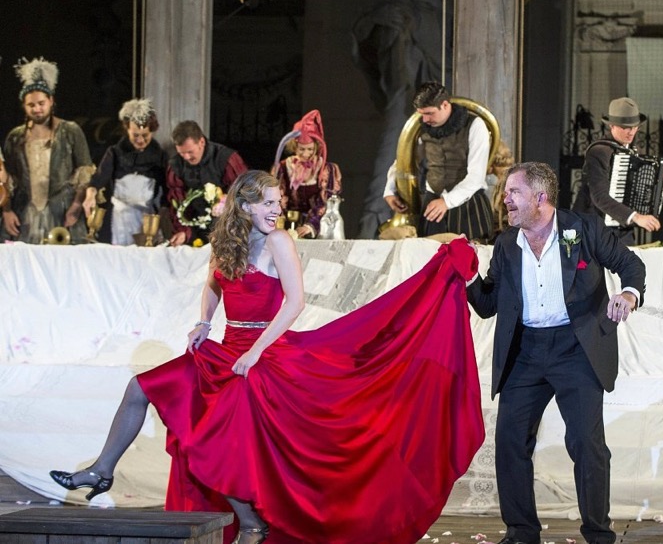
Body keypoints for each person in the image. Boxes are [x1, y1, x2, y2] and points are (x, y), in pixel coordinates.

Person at [49, 170, 484, 544]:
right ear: (243, 205)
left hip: (268, 354)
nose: (277, 210)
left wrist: (256, 352)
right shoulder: (227, 242)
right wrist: (203, 322)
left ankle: (253, 523)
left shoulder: (279, 241)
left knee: (213, 432)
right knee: (140, 387)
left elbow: (295, 302)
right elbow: (214, 284)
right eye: (269, 204)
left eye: (278, 202)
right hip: (226, 352)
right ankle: (101, 470)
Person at [466, 162, 646, 544]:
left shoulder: (584, 229)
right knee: (510, 442)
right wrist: (467, 275)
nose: (505, 199)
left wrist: (629, 294)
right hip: (525, 352)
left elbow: (630, 265)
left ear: (540, 197)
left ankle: (598, 534)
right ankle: (521, 533)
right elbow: (487, 304)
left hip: (575, 348)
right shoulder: (506, 244)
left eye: (513, 192)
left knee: (586, 444)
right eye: (506, 193)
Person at [383, 81, 493, 240]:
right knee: (428, 253)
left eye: (430, 113)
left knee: (468, 253)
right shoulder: (421, 128)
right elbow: (403, 159)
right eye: (422, 114)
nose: (425, 119)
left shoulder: (475, 125)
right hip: (432, 202)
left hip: (468, 206)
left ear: (445, 105)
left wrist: (446, 202)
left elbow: (476, 176)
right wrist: (390, 190)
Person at [1, 57, 93, 244]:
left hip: (62, 211)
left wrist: (76, 206)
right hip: (25, 215)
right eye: (31, 105)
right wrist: (7, 210)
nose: (37, 109)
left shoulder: (70, 131)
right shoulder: (15, 137)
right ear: (24, 106)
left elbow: (85, 172)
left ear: (51, 101)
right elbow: (6, 179)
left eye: (41, 103)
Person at [571, 97, 663, 246]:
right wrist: (636, 217)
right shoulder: (598, 152)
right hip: (593, 231)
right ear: (612, 125)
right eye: (625, 127)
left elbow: (636, 194)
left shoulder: (631, 153)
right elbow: (599, 196)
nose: (631, 132)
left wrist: (660, 185)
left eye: (634, 127)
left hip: (622, 233)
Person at [82, 98, 169, 245]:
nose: (140, 140)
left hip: (147, 219)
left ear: (152, 131)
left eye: (145, 135)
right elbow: (97, 180)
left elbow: (167, 190)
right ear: (126, 128)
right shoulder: (115, 153)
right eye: (135, 135)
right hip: (119, 218)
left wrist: (164, 215)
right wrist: (90, 195)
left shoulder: (159, 156)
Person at [166, 120, 248, 246]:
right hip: (193, 230)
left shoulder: (226, 159)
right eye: (182, 153)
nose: (186, 157)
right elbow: (176, 204)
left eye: (190, 152)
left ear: (202, 142)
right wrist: (183, 232)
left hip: (227, 229)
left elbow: (243, 194)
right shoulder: (176, 166)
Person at [270, 109, 342, 239]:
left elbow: (325, 201)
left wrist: (309, 226)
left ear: (316, 147)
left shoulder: (325, 169)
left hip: (316, 227)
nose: (306, 154)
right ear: (294, 146)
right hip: (289, 226)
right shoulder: (284, 167)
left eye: (310, 149)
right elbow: (277, 197)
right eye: (301, 149)